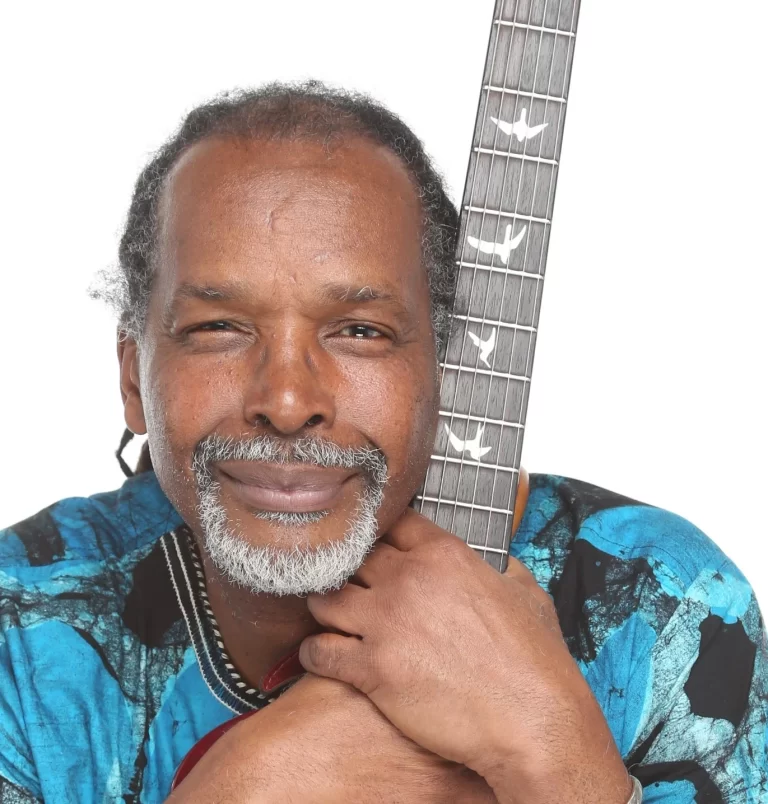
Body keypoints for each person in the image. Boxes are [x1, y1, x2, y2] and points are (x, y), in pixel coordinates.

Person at [0, 83, 765, 804]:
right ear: (134, 377)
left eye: (361, 332)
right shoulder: (22, 639)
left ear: (448, 368)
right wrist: (244, 785)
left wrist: (554, 754)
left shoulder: (668, 606)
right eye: (219, 329)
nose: (289, 402)